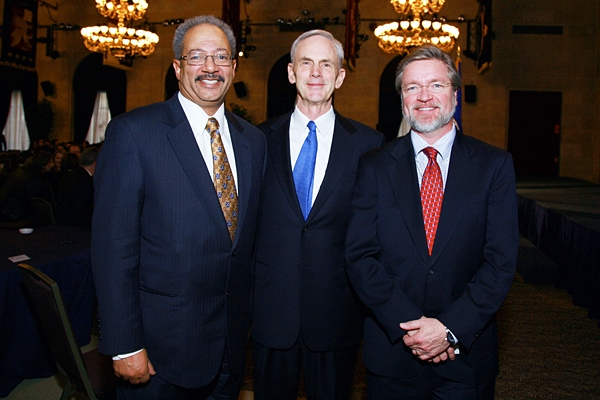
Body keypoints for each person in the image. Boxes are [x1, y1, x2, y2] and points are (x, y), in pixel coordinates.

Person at [91, 15, 266, 399]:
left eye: (221, 57)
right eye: (196, 57)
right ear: (177, 66)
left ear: (234, 67)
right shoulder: (133, 133)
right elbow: (112, 250)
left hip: (231, 350)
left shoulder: (253, 141)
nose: (210, 68)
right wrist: (124, 344)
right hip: (159, 352)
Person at [344, 45, 519, 399]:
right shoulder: (374, 165)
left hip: (466, 354)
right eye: (412, 87)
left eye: (436, 85)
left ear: (455, 95)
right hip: (393, 354)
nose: (424, 96)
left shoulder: (494, 166)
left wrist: (450, 329)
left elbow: (500, 261)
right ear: (403, 99)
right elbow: (360, 255)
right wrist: (414, 329)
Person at [251, 30, 385, 400]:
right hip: (270, 310)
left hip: (336, 313)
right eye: (306, 63)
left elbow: (374, 233)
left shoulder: (369, 145)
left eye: (326, 64)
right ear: (291, 72)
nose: (315, 72)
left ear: (340, 76)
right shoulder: (257, 140)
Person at [55, 146, 99, 228]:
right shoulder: (88, 182)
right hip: (80, 227)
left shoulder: (68, 176)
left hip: (63, 222)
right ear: (96, 163)